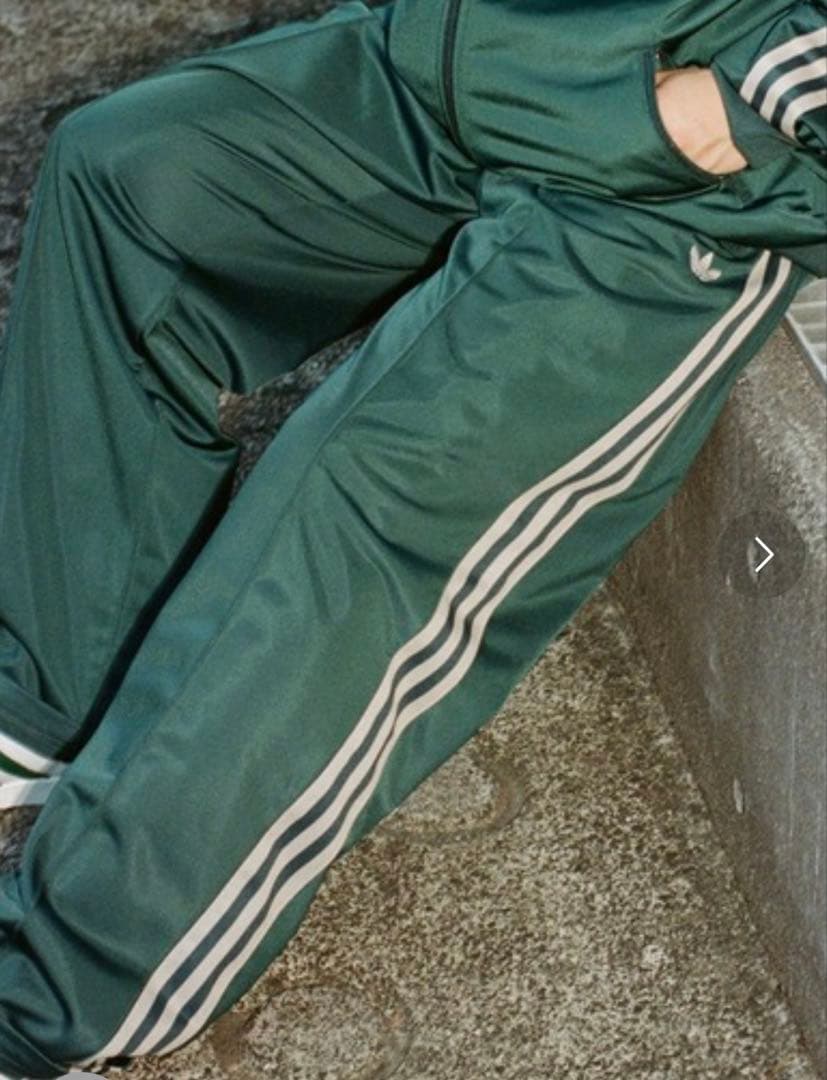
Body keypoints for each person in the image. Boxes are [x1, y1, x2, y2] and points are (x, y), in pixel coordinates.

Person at [0, 0, 824, 1074]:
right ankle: (45, 707)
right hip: (479, 50)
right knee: (128, 179)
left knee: (365, 500)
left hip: (681, 166)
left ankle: (62, 991)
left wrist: (737, 101)